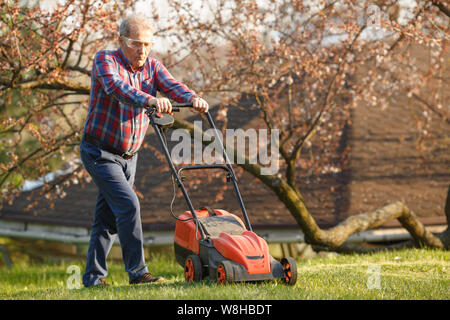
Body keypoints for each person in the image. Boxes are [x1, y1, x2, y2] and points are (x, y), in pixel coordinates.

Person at [80, 13, 209, 287]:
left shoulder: (152, 66)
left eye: (148, 44)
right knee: (128, 205)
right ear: (121, 41)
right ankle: (138, 273)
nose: (143, 50)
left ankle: (93, 278)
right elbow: (118, 88)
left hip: (130, 156)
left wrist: (192, 98)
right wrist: (150, 99)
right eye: (136, 43)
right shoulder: (105, 60)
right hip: (99, 152)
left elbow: (172, 85)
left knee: (106, 217)